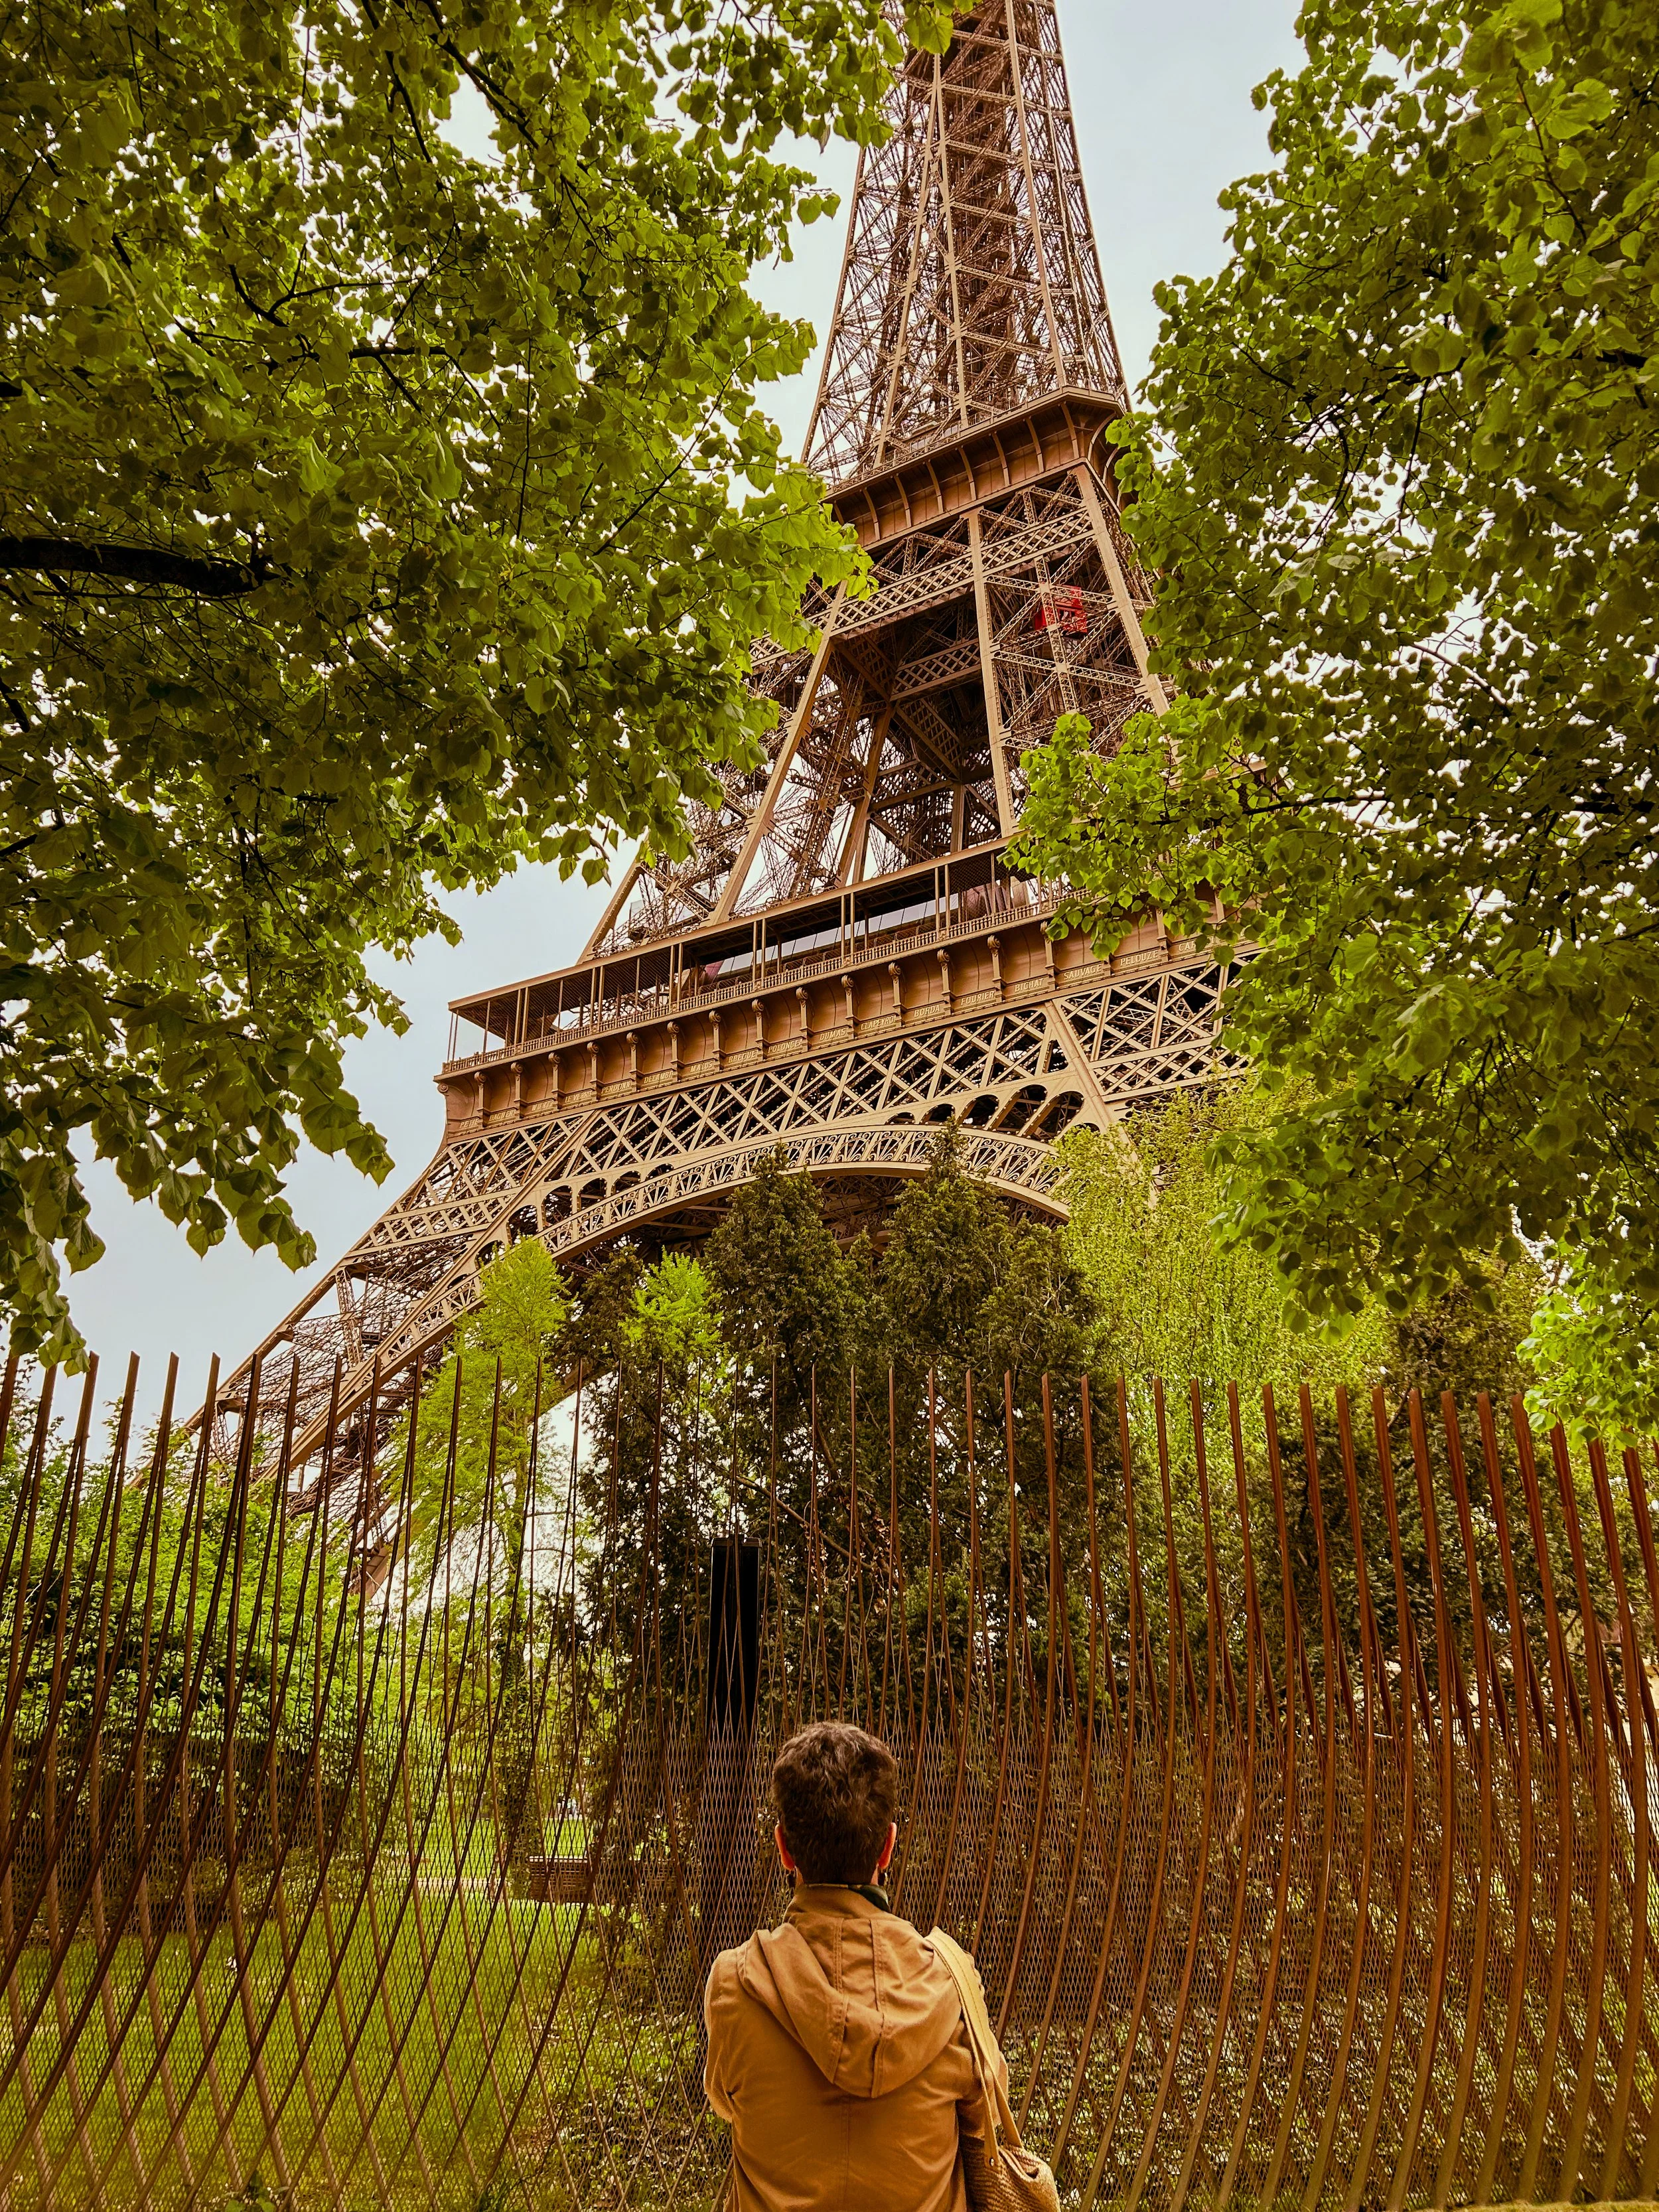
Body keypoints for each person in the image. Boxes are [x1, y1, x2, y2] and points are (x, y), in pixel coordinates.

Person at [704, 1720, 1009, 2212]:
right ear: (887, 1846)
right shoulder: (951, 1983)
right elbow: (985, 2115)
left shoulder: (736, 1983)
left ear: (784, 1848)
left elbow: (725, 2102)